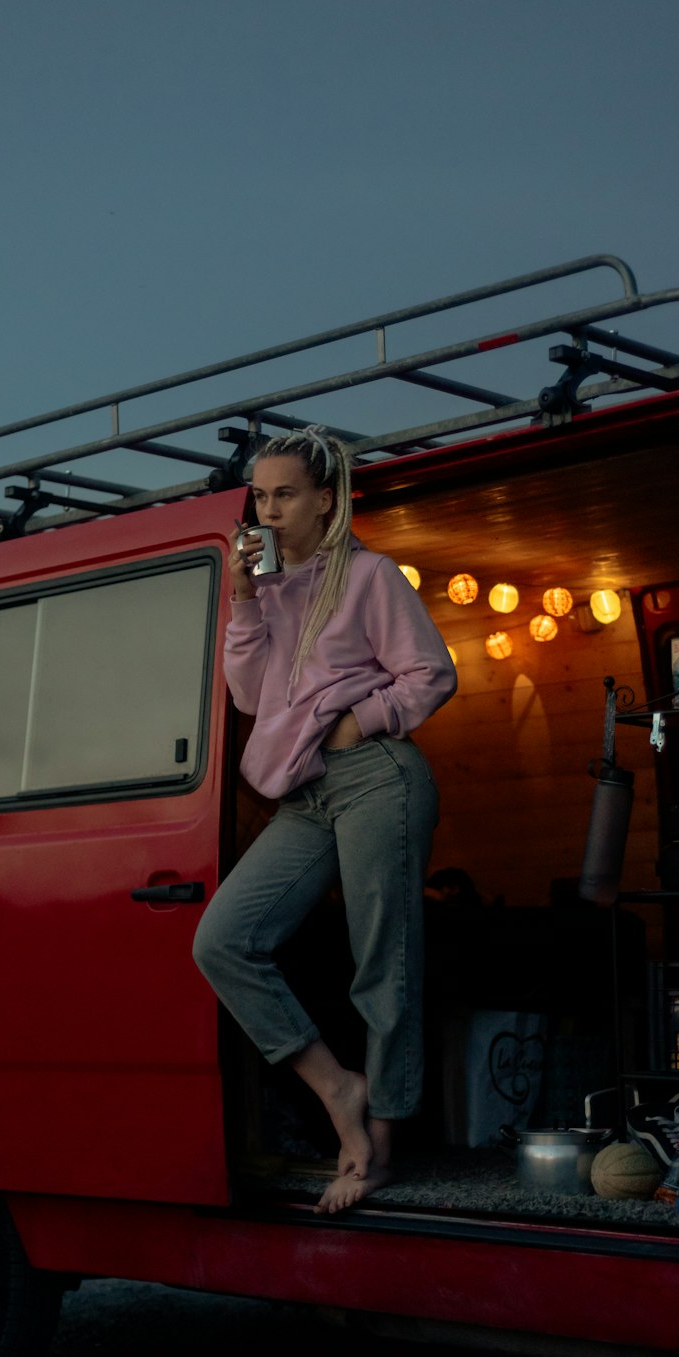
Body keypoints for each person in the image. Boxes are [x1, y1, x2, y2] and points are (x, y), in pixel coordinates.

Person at [192, 426, 457, 1214]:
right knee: (224, 940)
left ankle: (376, 1147)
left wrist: (359, 722)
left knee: (384, 959)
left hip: (376, 776)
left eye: (284, 495)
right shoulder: (268, 591)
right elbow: (247, 698)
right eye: (260, 496)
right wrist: (241, 597)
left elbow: (430, 674)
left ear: (325, 501)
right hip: (304, 793)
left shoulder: (371, 577)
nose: (268, 511)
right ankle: (338, 1088)